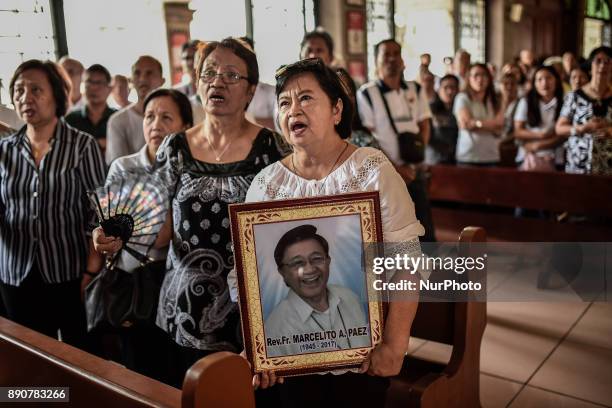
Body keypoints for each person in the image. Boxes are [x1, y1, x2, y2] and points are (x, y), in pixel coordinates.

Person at [99, 38, 290, 388]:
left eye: (232, 75)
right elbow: (160, 228)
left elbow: (285, 232)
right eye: (210, 73)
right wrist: (120, 237)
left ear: (250, 91)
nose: (218, 81)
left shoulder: (273, 149)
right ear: (198, 83)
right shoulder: (176, 147)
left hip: (251, 310)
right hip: (183, 309)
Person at [233, 57, 424, 406]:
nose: (293, 110)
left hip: (359, 358)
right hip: (289, 357)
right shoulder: (266, 183)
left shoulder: (370, 170)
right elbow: (252, 277)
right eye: (284, 102)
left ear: (337, 109)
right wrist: (259, 346)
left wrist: (395, 345)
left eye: (306, 98)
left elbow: (406, 262)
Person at [0, 60, 106, 348]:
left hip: (69, 272)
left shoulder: (82, 146)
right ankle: (45, 397)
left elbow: (99, 213)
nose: (26, 98)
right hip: (15, 273)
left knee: (77, 357)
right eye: (19, 90)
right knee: (31, 358)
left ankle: (71, 396)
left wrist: (91, 273)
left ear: (57, 95)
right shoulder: (5, 150)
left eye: (36, 89)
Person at [92, 88, 193, 382]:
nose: (155, 124)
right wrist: (102, 236)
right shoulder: (124, 167)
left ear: (185, 126)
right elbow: (110, 225)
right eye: (149, 116)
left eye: (166, 117)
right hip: (133, 283)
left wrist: (136, 230)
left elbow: (162, 236)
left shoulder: (191, 168)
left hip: (177, 284)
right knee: (140, 375)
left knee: (179, 376)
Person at [357, 39, 435, 243]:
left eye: (396, 53)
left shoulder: (415, 89)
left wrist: (418, 156)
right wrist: (395, 168)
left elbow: (425, 124)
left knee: (424, 225)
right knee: (395, 230)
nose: (392, 58)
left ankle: (431, 270)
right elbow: (368, 138)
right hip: (386, 172)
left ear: (402, 60)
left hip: (414, 169)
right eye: (386, 54)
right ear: (376, 60)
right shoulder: (367, 93)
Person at [264, 225, 370, 358]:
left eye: (316, 259)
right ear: (283, 273)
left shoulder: (350, 297)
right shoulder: (274, 329)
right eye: (297, 263)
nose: (309, 270)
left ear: (328, 261)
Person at [556, 46, 612, 175]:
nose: (602, 65)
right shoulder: (575, 96)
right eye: (598, 61)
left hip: (608, 167)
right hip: (578, 166)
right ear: (590, 66)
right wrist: (582, 128)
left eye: (607, 61)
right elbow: (559, 128)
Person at [105, 55, 165, 165]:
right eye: (137, 73)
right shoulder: (118, 121)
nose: (142, 79)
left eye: (149, 73)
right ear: (131, 81)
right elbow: (120, 168)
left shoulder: (175, 117)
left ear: (162, 80)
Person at [514, 65, 564, 171]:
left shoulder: (564, 103)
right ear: (534, 83)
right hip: (528, 158)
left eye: (549, 78)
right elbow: (518, 131)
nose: (544, 83)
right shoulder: (526, 102)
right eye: (539, 79)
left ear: (556, 80)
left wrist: (539, 145)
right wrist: (542, 135)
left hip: (556, 158)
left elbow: (563, 135)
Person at [454, 63, 504, 165]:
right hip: (468, 157)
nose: (480, 79)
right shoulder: (462, 97)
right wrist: (492, 126)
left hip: (491, 156)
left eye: (484, 75)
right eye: (476, 75)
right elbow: (466, 124)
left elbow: (500, 126)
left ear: (489, 78)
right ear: (469, 78)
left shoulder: (496, 100)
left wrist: (476, 123)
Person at [65, 64, 117, 155]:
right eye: (89, 82)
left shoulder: (118, 119)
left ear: (109, 89)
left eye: (99, 83)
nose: (93, 88)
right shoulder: (70, 120)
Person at [335, 67, 380, 149]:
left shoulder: (366, 141)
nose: (342, 100)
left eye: (348, 92)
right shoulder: (317, 141)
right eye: (337, 92)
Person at [426, 74, 459, 164]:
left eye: (453, 88)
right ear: (439, 90)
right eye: (445, 87)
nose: (449, 91)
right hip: (434, 159)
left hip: (456, 160)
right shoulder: (430, 109)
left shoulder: (461, 110)